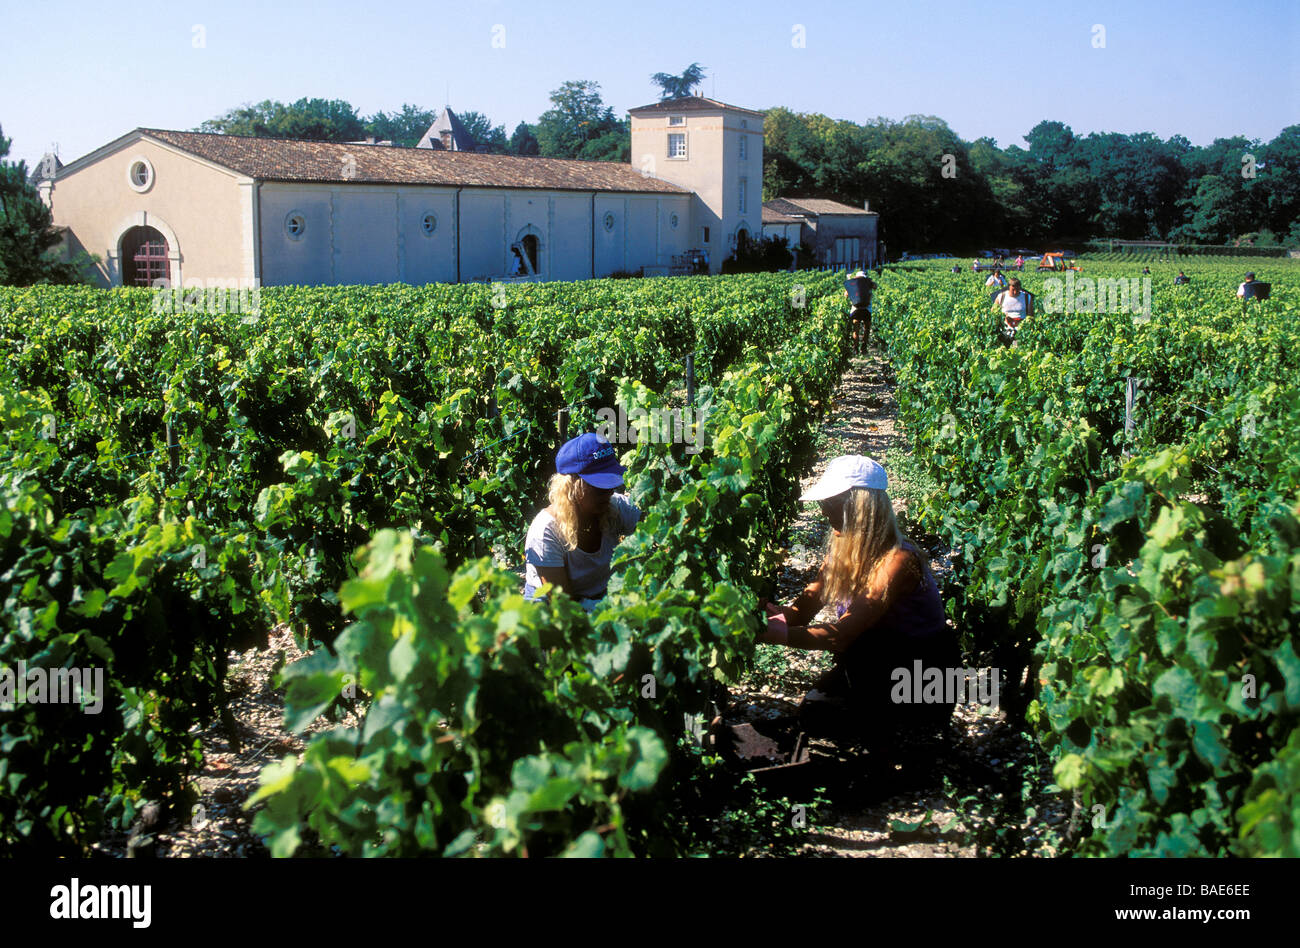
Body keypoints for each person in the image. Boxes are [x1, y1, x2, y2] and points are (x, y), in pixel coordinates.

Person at [759, 456, 960, 746]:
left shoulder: (899, 561)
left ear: (860, 507)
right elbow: (800, 613)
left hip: (922, 673)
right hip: (880, 660)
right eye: (823, 505)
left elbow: (840, 636)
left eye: (830, 505)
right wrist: (755, 617)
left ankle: (913, 727)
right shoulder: (842, 552)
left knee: (868, 731)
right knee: (816, 716)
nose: (824, 514)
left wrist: (770, 634)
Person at [523, 433, 640, 612]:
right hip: (552, 609)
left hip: (600, 599)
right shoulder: (546, 531)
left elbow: (658, 518)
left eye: (611, 486)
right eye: (599, 488)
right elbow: (562, 605)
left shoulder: (613, 506)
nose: (608, 493)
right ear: (571, 487)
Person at [844, 269, 876, 355]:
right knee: (867, 328)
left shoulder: (854, 285)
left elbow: (846, 295)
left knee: (856, 329)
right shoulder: (868, 284)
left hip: (856, 308)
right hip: (866, 308)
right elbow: (875, 287)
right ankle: (864, 347)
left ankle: (855, 348)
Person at [993, 276, 1032, 344]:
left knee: (1017, 348)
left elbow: (1031, 315)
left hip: (1021, 330)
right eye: (1013, 290)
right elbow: (993, 312)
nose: (1015, 292)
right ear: (1008, 288)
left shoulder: (1026, 297)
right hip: (1005, 329)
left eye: (1017, 290)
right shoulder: (1001, 296)